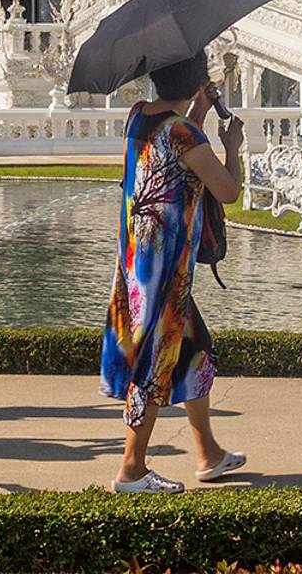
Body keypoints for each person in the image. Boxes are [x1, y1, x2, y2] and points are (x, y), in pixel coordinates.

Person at [101, 50, 247, 494]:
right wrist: (233, 147)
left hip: (139, 263)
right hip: (163, 273)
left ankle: (209, 453)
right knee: (153, 361)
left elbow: (177, 150)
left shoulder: (139, 116)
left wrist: (198, 109)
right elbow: (229, 190)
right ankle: (131, 470)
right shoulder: (184, 134)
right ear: (195, 81)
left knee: (194, 351)